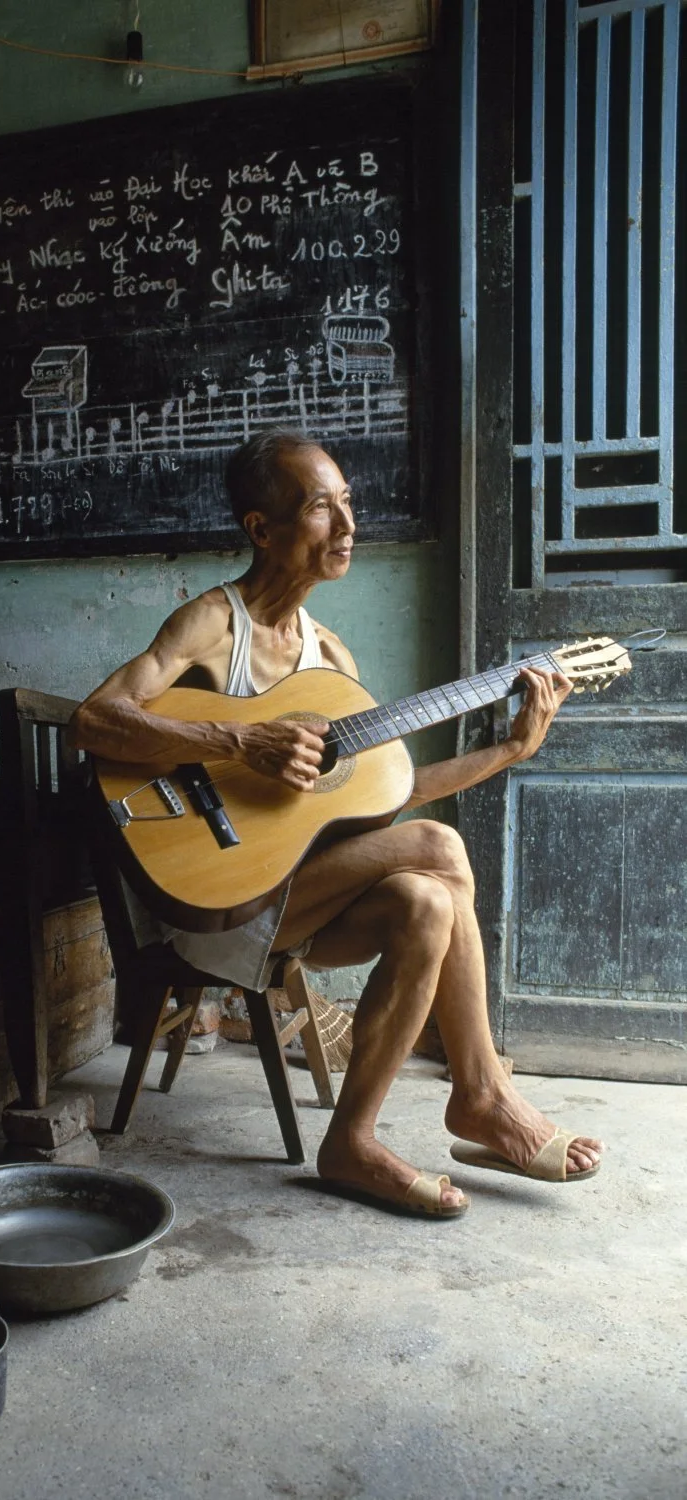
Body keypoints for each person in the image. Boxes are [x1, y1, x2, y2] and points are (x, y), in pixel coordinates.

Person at [69, 428, 603, 1218]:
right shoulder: (215, 623)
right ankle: (483, 1091)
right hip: (217, 902)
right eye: (322, 508)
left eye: (348, 503)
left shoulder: (333, 662)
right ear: (262, 529)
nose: (349, 526)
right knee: (441, 847)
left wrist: (508, 752)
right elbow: (95, 720)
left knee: (426, 897)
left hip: (299, 902)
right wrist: (238, 740)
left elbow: (384, 801)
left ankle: (350, 1141)